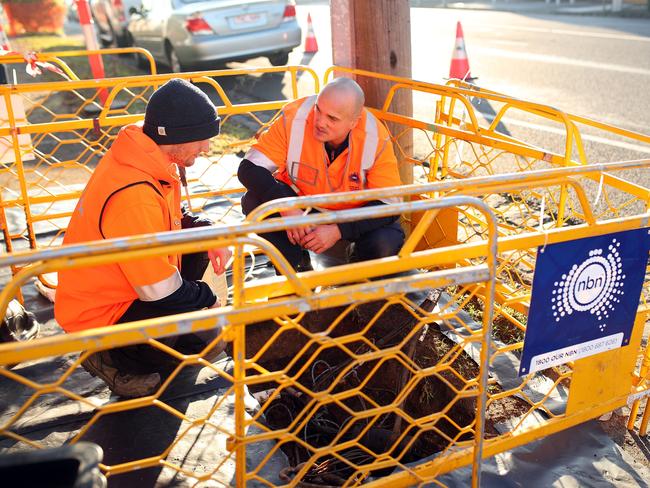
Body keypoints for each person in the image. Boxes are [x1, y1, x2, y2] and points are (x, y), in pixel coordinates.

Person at [55, 78, 230, 398]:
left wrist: (208, 229)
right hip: (101, 315)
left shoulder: (148, 156)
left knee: (201, 247)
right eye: (202, 138)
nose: (206, 148)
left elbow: (167, 219)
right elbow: (159, 293)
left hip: (128, 285)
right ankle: (107, 357)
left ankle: (179, 339)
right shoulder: (134, 194)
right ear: (178, 134)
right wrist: (207, 299)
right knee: (175, 308)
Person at [237, 77, 404, 272]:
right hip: (303, 207)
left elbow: (389, 205)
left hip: (352, 215)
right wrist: (287, 208)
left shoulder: (375, 137)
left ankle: (357, 271)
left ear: (353, 122)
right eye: (318, 109)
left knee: (384, 243)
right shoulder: (295, 116)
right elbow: (249, 168)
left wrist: (339, 230)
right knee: (253, 202)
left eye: (332, 118)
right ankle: (294, 267)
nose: (320, 122)